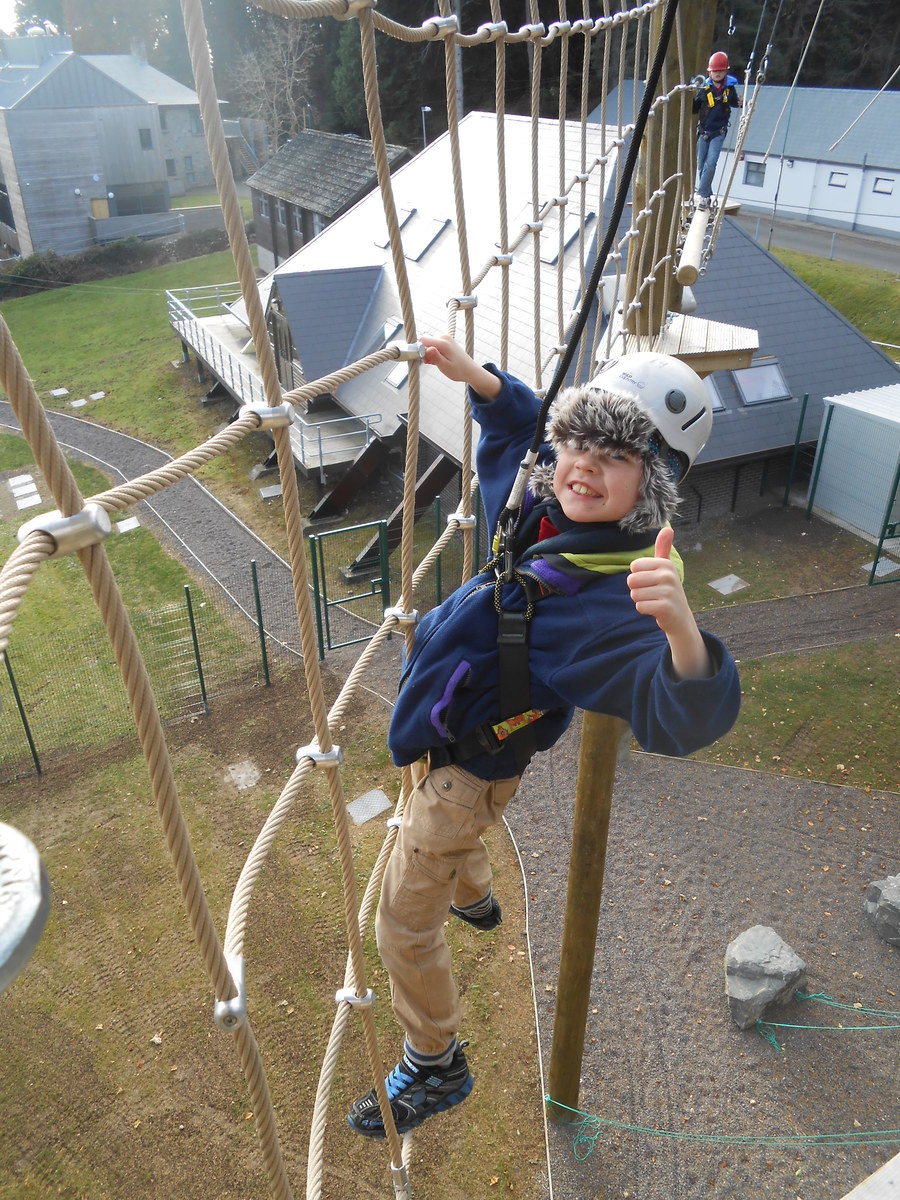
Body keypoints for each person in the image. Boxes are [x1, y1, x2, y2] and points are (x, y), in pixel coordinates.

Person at [347, 337, 741, 1139]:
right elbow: (518, 436)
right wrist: (481, 382)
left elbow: (678, 712)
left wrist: (682, 631)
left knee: (396, 920)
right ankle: (481, 898)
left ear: (651, 485)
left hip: (471, 768)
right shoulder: (542, 510)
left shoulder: (612, 604)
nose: (585, 467)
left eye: (618, 455)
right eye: (579, 443)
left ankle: (436, 1060)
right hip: (453, 738)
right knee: (456, 828)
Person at [692, 50, 741, 210]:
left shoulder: (729, 89)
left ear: (725, 71)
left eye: (720, 71)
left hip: (718, 132)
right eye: (715, 71)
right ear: (710, 72)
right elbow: (694, 109)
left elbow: (734, 102)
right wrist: (692, 97)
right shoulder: (704, 90)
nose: (718, 74)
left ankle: (702, 196)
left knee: (711, 163)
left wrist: (742, 102)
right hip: (704, 131)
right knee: (701, 165)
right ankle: (706, 195)